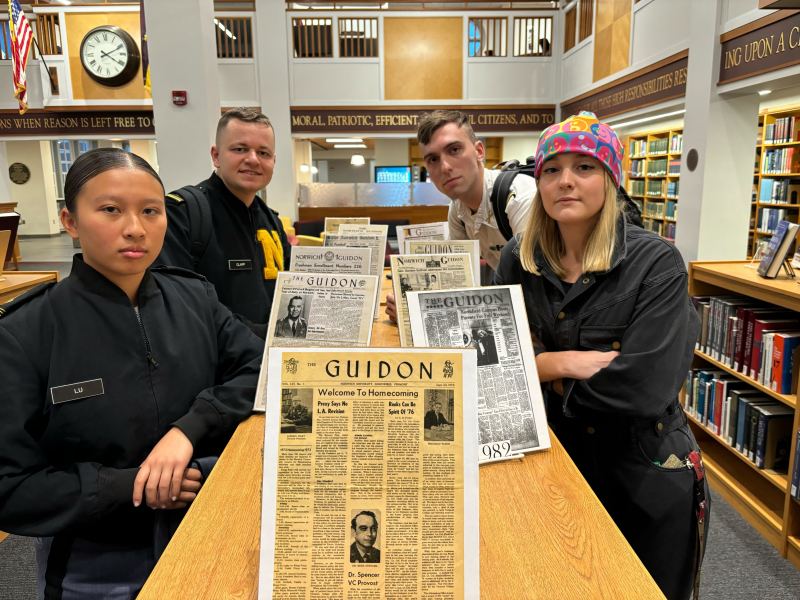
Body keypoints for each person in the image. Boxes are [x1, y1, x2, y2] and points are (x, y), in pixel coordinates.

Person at [0, 148, 263, 599]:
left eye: (150, 211)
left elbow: (259, 366)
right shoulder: (26, 332)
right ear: (69, 220)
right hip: (96, 562)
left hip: (208, 534)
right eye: (110, 210)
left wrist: (190, 427)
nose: (135, 228)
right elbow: (10, 487)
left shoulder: (195, 298)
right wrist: (135, 485)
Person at [494, 112, 707, 600]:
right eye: (551, 169)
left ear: (611, 180)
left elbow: (645, 387)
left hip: (640, 470)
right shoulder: (517, 259)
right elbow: (493, 366)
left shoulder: (657, 264)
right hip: (548, 463)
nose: (565, 181)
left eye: (584, 167)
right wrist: (558, 363)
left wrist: (533, 365)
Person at [385, 109, 535, 320]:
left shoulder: (520, 197)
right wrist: (410, 303)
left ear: (479, 151)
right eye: (433, 159)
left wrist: (421, 312)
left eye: (454, 149)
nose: (445, 167)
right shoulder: (457, 209)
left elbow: (535, 293)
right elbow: (459, 286)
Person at [158, 107, 291, 338]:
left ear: (273, 161)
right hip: (218, 366)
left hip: (269, 355)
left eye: (264, 153)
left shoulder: (271, 220)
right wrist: (264, 335)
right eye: (240, 149)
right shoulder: (183, 213)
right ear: (216, 156)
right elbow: (179, 303)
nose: (252, 159)